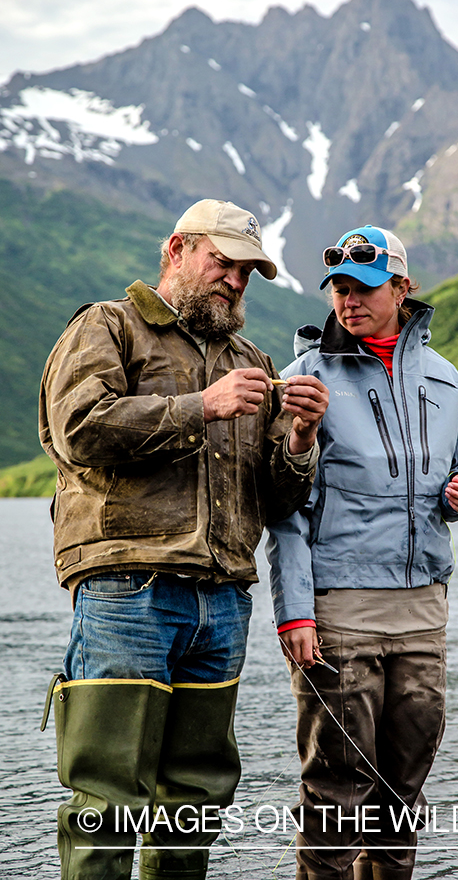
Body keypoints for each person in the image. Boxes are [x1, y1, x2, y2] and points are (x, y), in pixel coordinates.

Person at [38, 198, 329, 880]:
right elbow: (80, 430)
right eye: (223, 262)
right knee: (107, 801)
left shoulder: (250, 358)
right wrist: (205, 404)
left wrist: (299, 440)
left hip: (224, 601)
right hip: (125, 589)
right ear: (177, 250)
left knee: (195, 803)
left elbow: (279, 499)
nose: (235, 280)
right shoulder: (108, 326)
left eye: (248, 272)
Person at [266, 224, 458, 880]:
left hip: (424, 613)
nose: (347, 299)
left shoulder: (444, 379)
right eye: (338, 287)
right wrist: (295, 614)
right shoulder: (303, 380)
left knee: (402, 793)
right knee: (336, 797)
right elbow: (283, 509)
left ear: (402, 287)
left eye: (363, 287)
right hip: (340, 614)